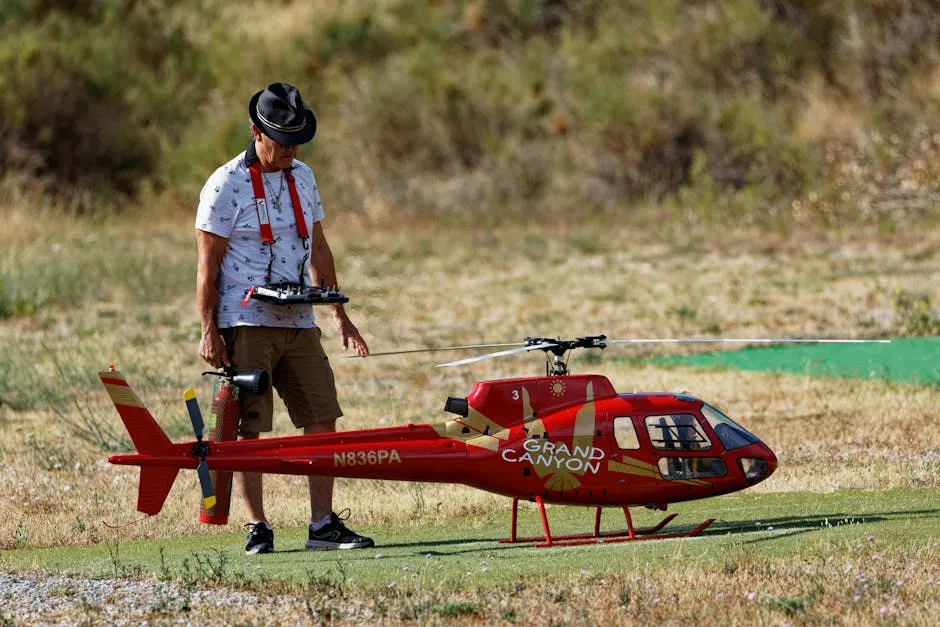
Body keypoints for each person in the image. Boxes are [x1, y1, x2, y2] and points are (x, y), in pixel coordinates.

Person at [195, 82, 373, 555]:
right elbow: (207, 266)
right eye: (283, 139)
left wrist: (341, 317)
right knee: (249, 427)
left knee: (321, 417)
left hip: (299, 321)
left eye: (298, 139)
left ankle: (322, 525)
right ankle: (258, 526)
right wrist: (209, 330)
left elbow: (319, 247)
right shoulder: (224, 183)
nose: (292, 148)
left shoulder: (304, 176)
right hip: (247, 320)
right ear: (257, 132)